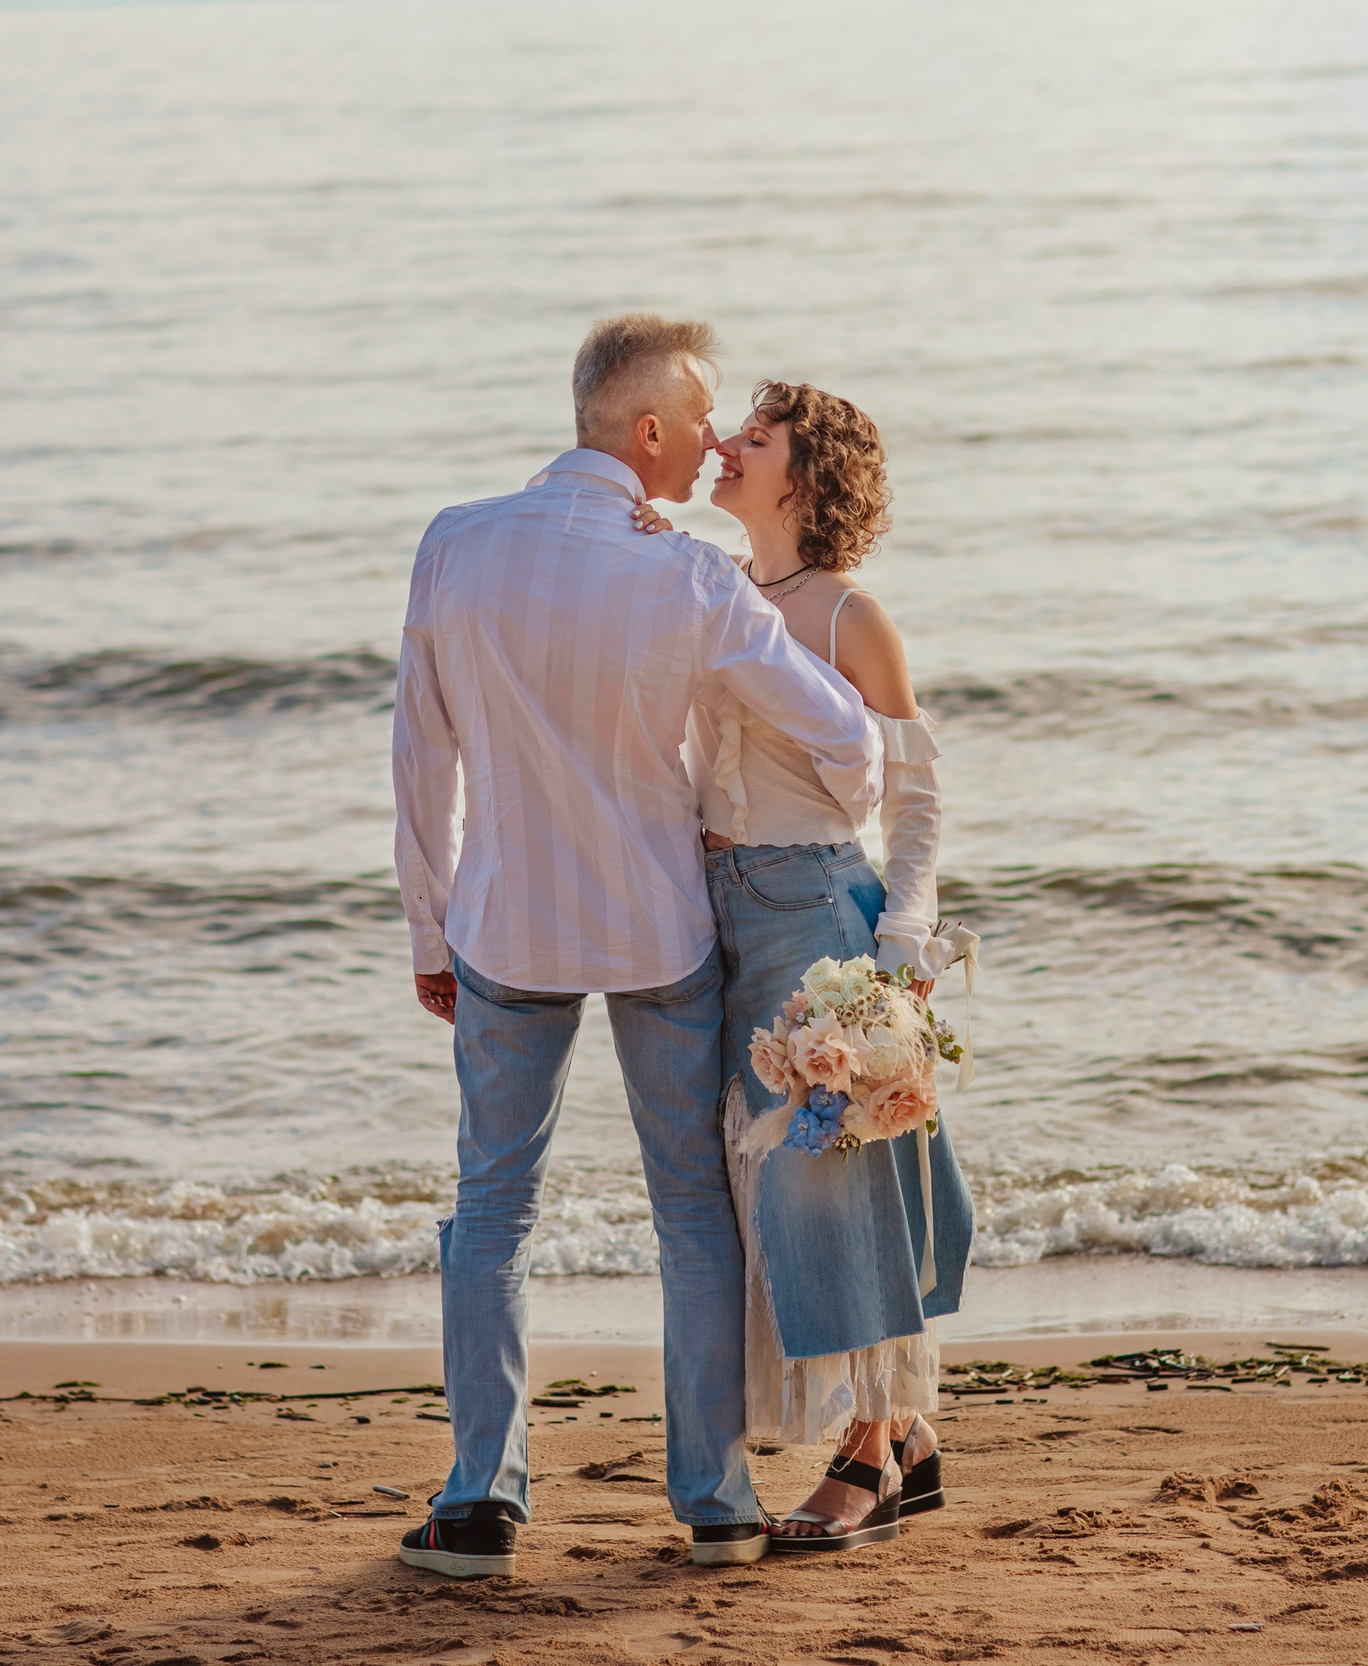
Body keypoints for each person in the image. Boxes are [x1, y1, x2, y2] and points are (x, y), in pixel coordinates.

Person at [390, 315, 886, 1578]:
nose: (720, 435)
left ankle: (479, 1501)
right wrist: (818, 838)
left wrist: (427, 922)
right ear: (650, 432)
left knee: (492, 1208)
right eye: (706, 414)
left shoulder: (455, 541)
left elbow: (421, 756)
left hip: (503, 924)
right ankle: (714, 1498)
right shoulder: (693, 576)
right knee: (688, 1215)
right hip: (661, 923)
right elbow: (849, 740)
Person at [633, 380, 974, 1553]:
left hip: (818, 910)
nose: (723, 444)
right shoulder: (708, 588)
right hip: (716, 915)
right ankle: (907, 1434)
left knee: (830, 1184)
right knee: (763, 1190)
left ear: (805, 476)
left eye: (754, 437)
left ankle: (871, 1451)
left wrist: (897, 954)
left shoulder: (848, 617)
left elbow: (916, 804)